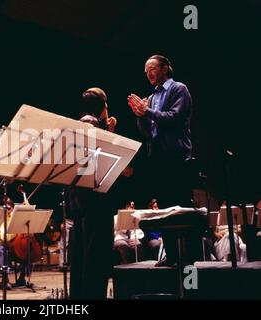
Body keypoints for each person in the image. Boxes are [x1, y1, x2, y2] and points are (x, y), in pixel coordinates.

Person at [127, 55, 202, 266]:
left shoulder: (179, 89)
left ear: (165, 68)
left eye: (151, 69)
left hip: (176, 157)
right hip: (158, 158)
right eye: (145, 71)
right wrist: (141, 116)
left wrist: (147, 111)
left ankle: (189, 256)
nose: (148, 74)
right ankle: (172, 255)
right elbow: (147, 131)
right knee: (164, 209)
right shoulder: (150, 97)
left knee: (180, 206)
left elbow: (175, 119)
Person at [69, 87, 117, 299]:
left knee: (81, 253)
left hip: (78, 198)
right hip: (96, 198)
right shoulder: (93, 123)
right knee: (95, 255)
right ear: (102, 107)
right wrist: (110, 132)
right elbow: (101, 158)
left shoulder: (77, 123)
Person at [0, 197, 30, 288]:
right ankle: (5, 279)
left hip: (10, 245)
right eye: (6, 208)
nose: (8, 210)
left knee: (29, 252)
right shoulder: (0, 220)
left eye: (10, 208)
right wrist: (16, 233)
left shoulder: (13, 217)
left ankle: (22, 278)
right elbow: (5, 239)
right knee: (3, 250)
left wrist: (25, 207)